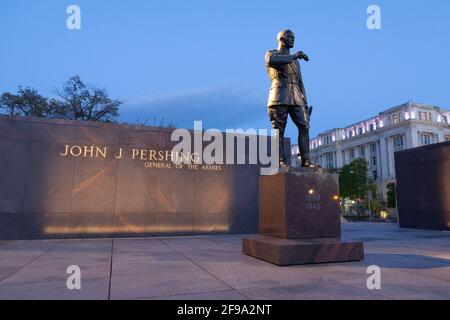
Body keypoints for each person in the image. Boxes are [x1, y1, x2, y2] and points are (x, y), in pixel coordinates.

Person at [265, 29, 314, 167]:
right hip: (279, 96)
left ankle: (306, 161)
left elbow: (300, 82)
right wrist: (294, 56)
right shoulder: (272, 54)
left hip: (296, 96)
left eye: (294, 37)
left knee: (304, 126)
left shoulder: (295, 61)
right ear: (281, 39)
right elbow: (272, 60)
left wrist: (305, 101)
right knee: (278, 130)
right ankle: (279, 161)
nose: (293, 39)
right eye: (290, 37)